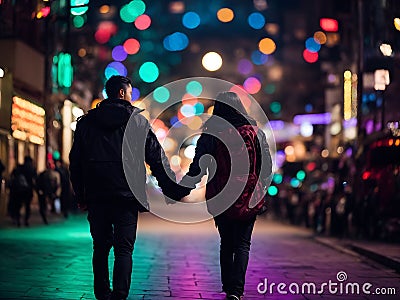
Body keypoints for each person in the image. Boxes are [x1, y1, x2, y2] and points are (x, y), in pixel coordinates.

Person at [69, 75, 185, 300]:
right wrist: (172, 189)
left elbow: (76, 162)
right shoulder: (138, 121)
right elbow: (156, 158)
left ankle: (102, 293)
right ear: (122, 93)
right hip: (127, 196)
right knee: (124, 249)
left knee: (100, 248)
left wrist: (81, 195)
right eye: (130, 93)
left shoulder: (86, 122)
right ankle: (120, 294)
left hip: (97, 195)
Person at [180, 92, 272, 300]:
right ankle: (236, 291)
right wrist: (260, 190)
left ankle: (227, 285)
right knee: (242, 244)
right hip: (248, 195)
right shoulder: (255, 132)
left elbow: (197, 169)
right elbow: (266, 166)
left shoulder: (211, 134)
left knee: (226, 242)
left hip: (219, 195)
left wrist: (180, 189)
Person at [8, 156, 36, 226]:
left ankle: (18, 220)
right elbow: (35, 179)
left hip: (19, 190)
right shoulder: (31, 169)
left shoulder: (19, 168)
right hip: (28, 190)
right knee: (27, 205)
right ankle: (26, 220)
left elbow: (12, 176)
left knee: (18, 205)